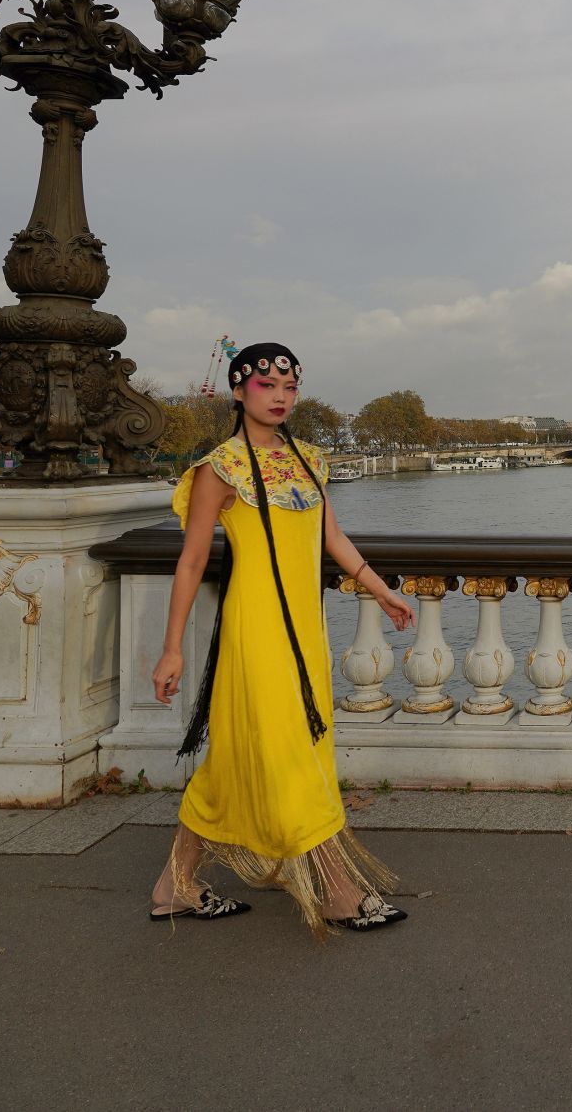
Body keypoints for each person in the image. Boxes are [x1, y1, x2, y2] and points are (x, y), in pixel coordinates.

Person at [149, 343, 416, 936]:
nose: (280, 397)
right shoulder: (219, 468)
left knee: (238, 761)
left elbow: (331, 538)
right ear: (238, 390)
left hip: (305, 630)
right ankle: (337, 890)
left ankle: (175, 885)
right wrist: (172, 648)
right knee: (292, 752)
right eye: (266, 385)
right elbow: (192, 561)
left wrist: (380, 590)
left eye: (290, 387)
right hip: (255, 631)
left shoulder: (309, 459)